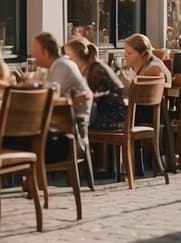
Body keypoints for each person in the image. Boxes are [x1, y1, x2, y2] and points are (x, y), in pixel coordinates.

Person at [30, 32, 94, 160]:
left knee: (21, 138)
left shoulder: (61, 65)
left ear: (46, 52)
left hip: (71, 136)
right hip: (67, 130)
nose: (33, 56)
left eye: (35, 51)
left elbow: (48, 98)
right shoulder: (59, 65)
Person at [64, 38, 126, 130]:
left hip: (110, 119)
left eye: (68, 57)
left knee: (70, 125)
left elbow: (88, 97)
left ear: (76, 56)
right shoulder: (94, 66)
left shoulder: (95, 70)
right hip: (115, 116)